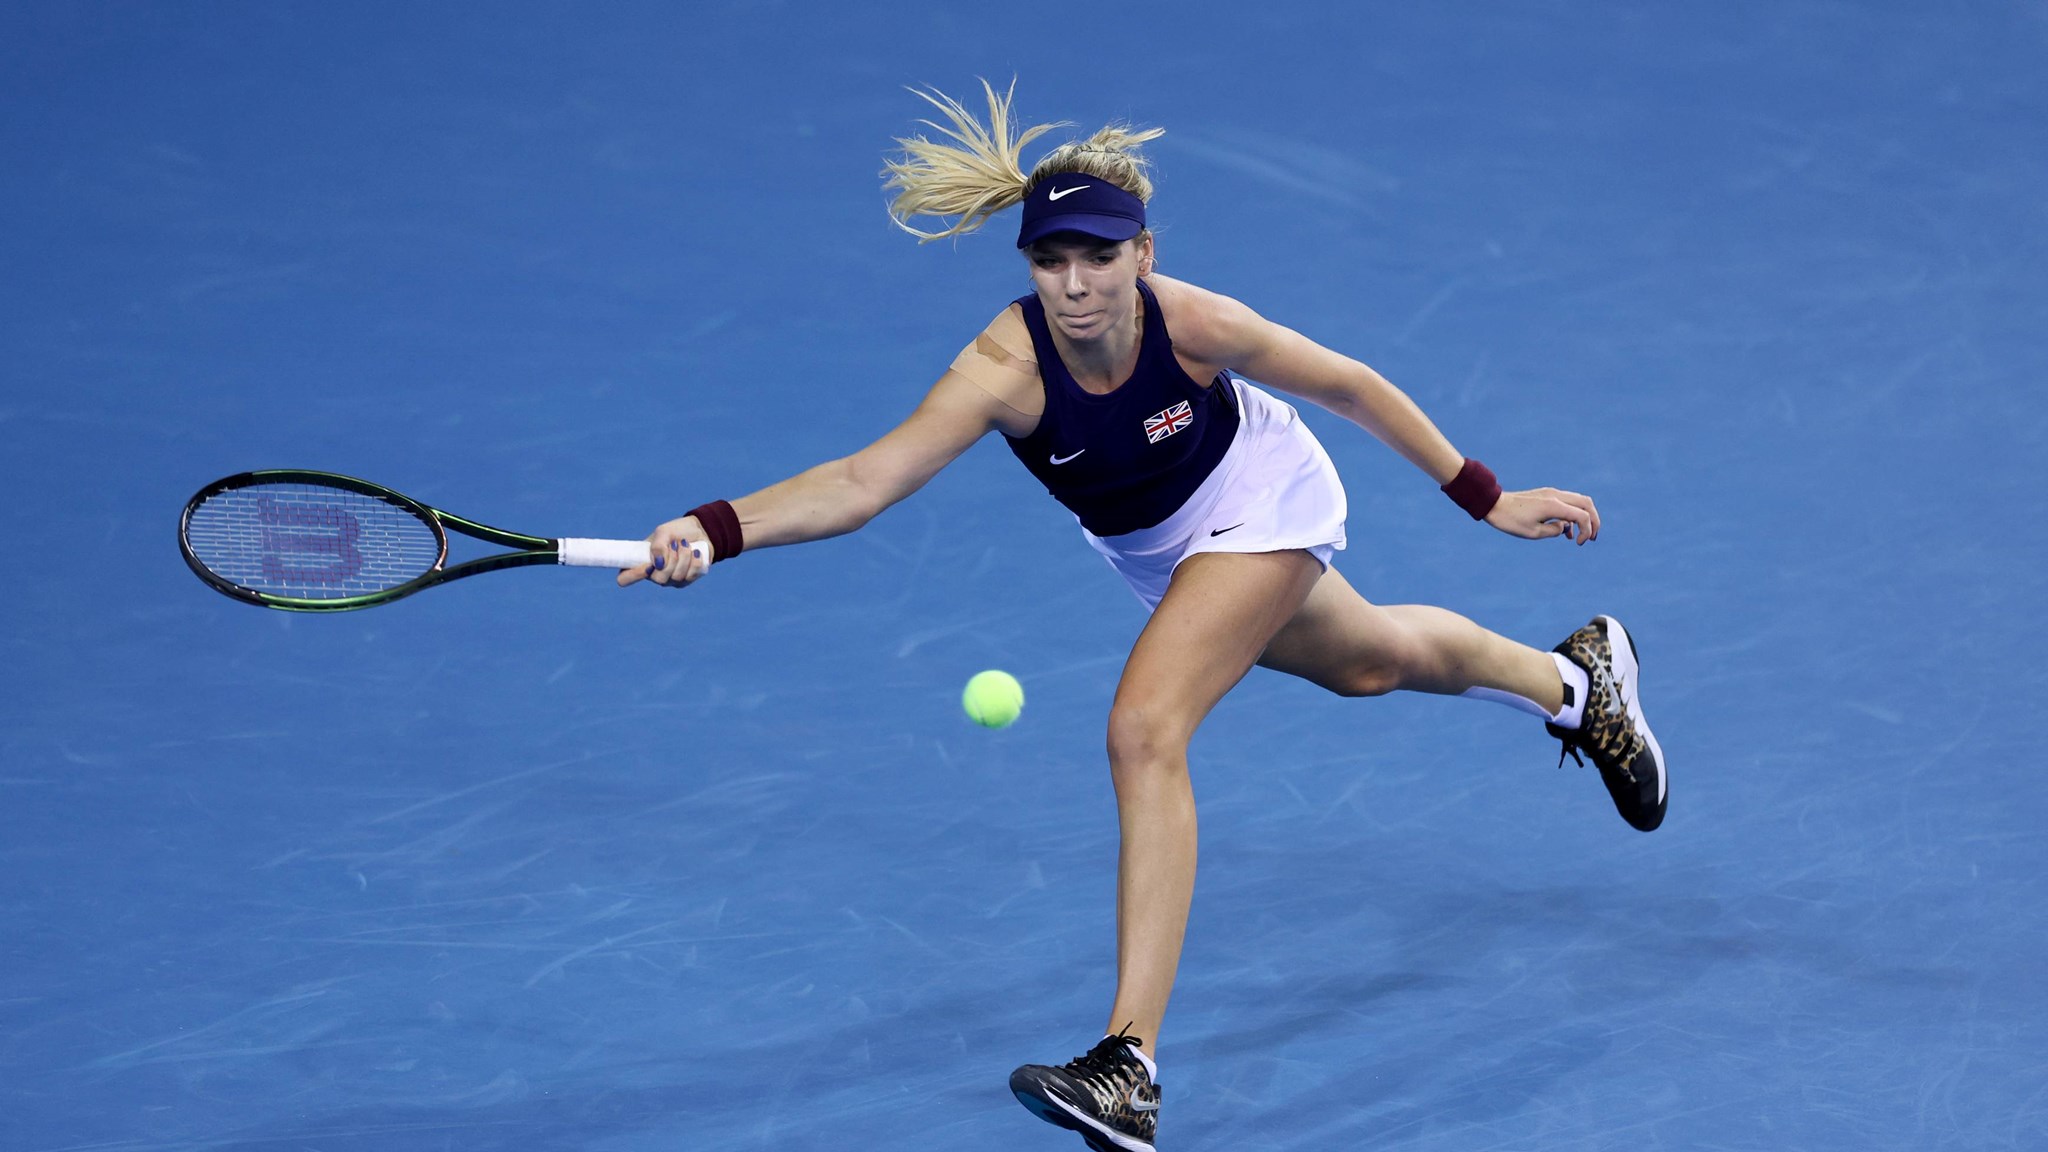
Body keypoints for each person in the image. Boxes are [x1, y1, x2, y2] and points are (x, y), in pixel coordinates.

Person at [618, 80, 1666, 1152]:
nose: (1073, 285)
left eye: (1097, 257)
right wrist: (715, 527)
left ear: (1142, 255)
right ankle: (1578, 684)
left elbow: (1347, 384)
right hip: (1157, 551)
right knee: (1371, 661)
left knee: (1142, 729)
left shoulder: (1196, 325)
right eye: (1048, 261)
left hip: (1258, 496)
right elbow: (859, 481)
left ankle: (1128, 1065)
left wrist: (1484, 497)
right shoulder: (1001, 370)